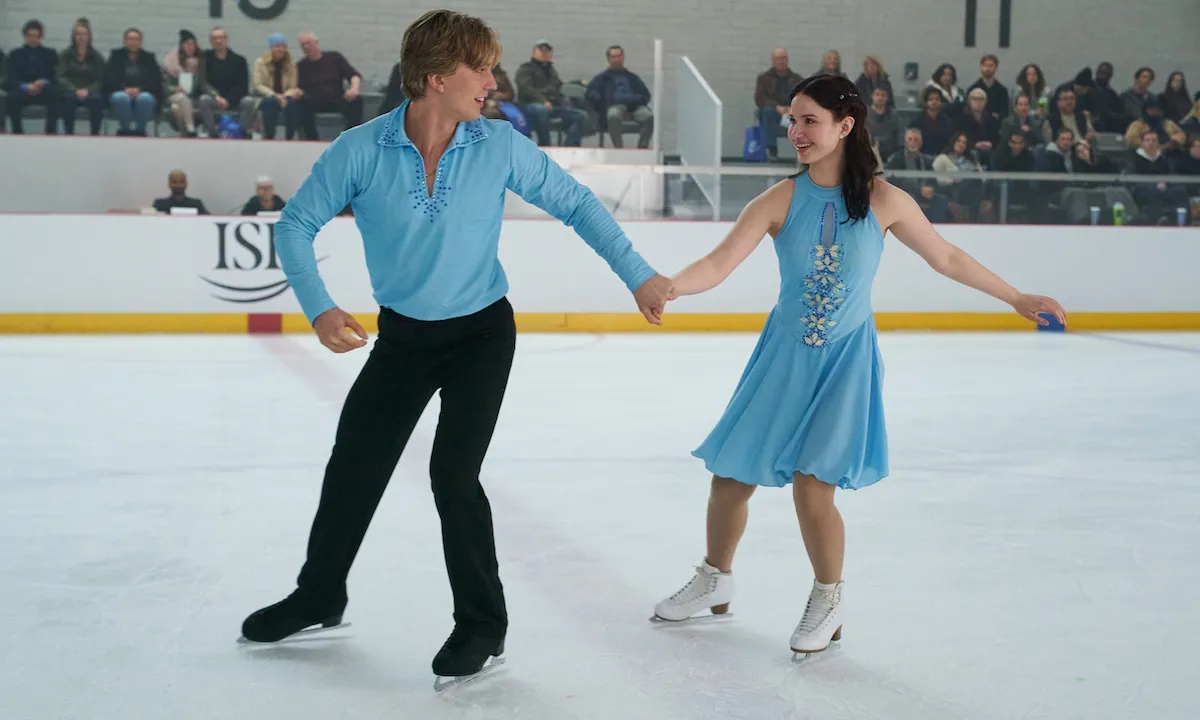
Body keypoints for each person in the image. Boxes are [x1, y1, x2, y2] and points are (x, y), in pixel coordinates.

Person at [238, 8, 672, 686]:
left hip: (480, 335)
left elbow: (579, 204)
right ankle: (319, 594)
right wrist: (319, 308)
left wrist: (637, 273)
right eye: (483, 68)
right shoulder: (361, 150)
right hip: (404, 338)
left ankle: (481, 625)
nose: (493, 81)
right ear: (437, 78)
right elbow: (295, 226)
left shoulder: (496, 144)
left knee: (452, 474)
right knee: (354, 462)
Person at [650, 74, 1065, 659]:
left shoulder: (884, 199)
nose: (795, 132)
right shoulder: (777, 200)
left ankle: (828, 597)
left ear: (845, 126)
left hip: (845, 362)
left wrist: (1016, 297)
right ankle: (716, 577)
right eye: (791, 120)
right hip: (783, 360)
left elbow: (946, 257)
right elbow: (719, 262)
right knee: (730, 478)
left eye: (809, 120)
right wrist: (671, 285)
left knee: (813, 487)